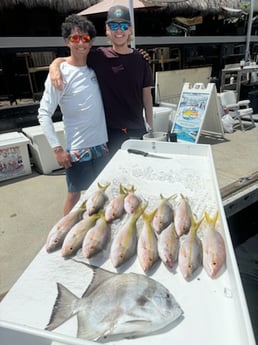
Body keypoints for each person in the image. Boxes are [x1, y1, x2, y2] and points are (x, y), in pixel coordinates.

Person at [50, 5, 154, 158]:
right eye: (113, 26)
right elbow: (71, 59)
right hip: (108, 133)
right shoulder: (98, 57)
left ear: (130, 29)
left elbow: (147, 96)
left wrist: (150, 128)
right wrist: (55, 65)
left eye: (124, 26)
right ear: (106, 29)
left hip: (137, 129)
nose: (119, 31)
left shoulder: (141, 59)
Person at [38, 14, 108, 215]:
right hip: (78, 148)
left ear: (91, 41)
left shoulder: (95, 68)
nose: (80, 43)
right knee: (74, 195)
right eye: (75, 38)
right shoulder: (60, 74)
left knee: (100, 192)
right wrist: (57, 149)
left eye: (85, 38)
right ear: (66, 41)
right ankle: (64, 235)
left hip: (101, 145)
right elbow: (44, 114)